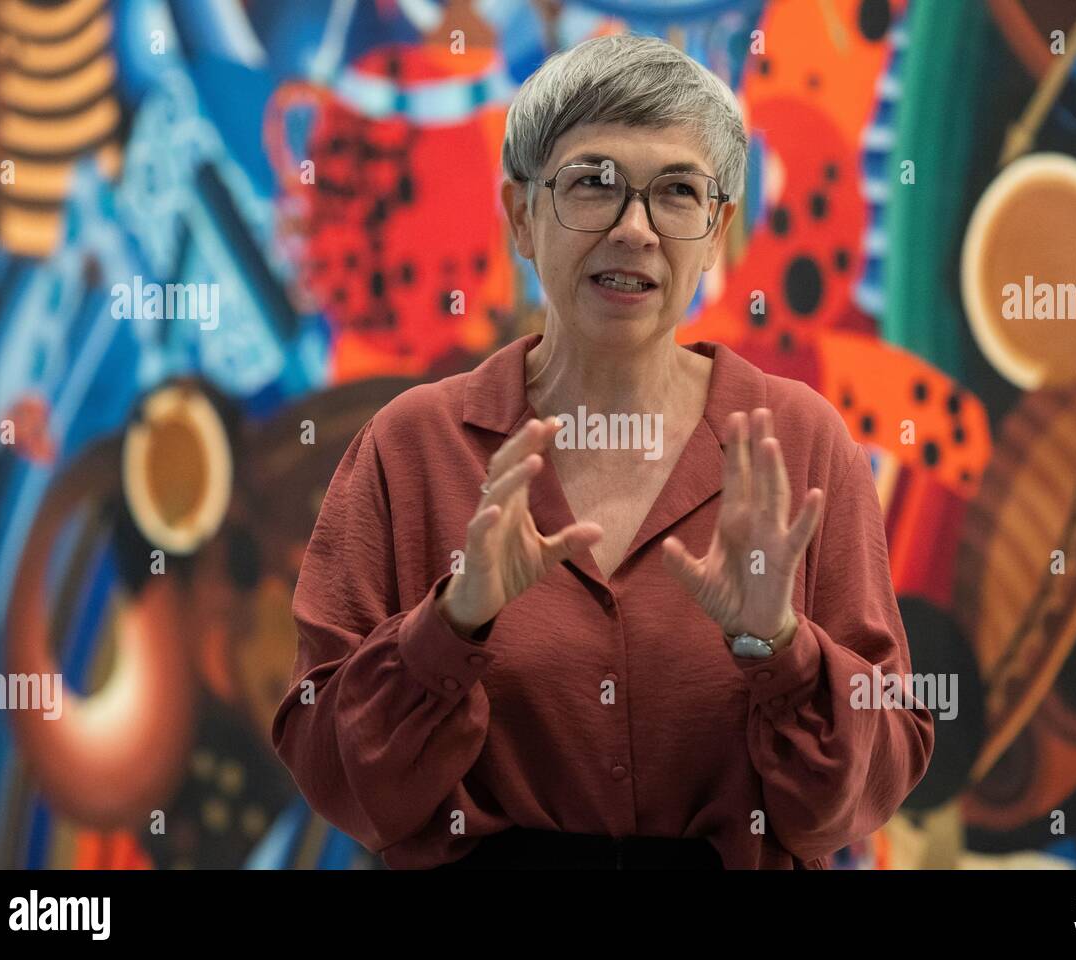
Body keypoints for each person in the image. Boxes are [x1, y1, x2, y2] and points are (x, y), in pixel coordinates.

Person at [272, 33, 934, 870]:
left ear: (718, 229)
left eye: (677, 193)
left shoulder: (798, 443)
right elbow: (334, 777)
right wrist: (451, 624)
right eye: (593, 184)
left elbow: (866, 790)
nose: (634, 229)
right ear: (521, 215)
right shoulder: (413, 446)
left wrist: (782, 645)